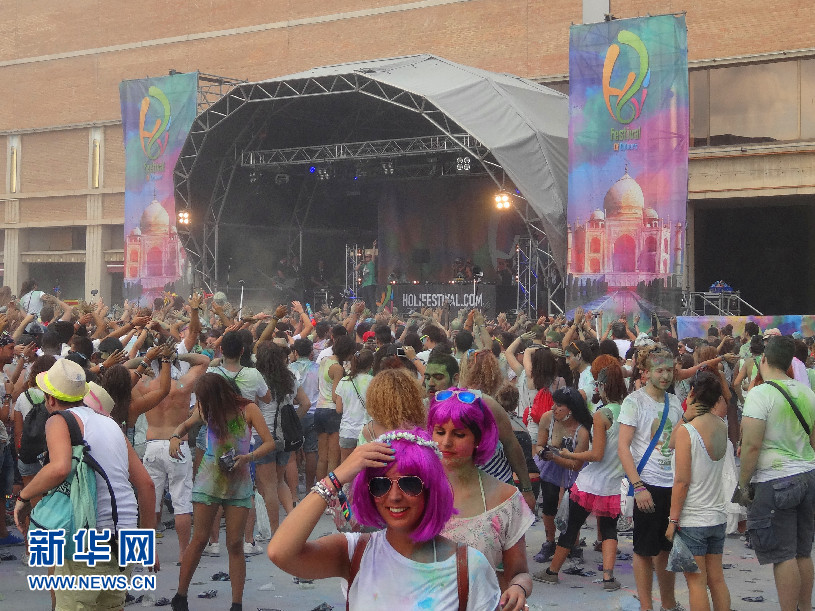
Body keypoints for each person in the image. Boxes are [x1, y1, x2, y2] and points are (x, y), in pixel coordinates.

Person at [267, 429, 502, 610]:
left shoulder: (469, 566)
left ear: (431, 490)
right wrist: (335, 478)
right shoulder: (355, 553)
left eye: (410, 483)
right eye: (381, 485)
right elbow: (280, 552)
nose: (395, 496)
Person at [13, 359, 157, 610]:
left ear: (50, 399)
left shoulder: (59, 420)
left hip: (89, 537)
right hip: (127, 540)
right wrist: (147, 544)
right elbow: (146, 485)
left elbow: (59, 468)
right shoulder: (112, 425)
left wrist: (23, 498)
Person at [168, 373, 275, 611]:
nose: (201, 404)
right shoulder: (205, 409)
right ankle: (180, 596)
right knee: (199, 539)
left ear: (217, 395)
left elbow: (269, 443)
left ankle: (236, 604)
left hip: (238, 482)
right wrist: (175, 436)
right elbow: (184, 425)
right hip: (209, 481)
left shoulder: (248, 409)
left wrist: (248, 457)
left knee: (235, 543)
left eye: (204, 399)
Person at [429, 389, 534, 610]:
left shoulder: (505, 500)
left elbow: (519, 573)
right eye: (439, 432)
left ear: (479, 438)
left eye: (459, 434)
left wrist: (518, 589)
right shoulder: (412, 488)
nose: (446, 442)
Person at [736, 335, 815, 611]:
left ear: (764, 360)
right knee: (803, 552)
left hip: (776, 480)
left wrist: (743, 484)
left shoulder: (760, 394)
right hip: (807, 474)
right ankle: (804, 607)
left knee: (783, 555)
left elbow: (751, 445)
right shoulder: (807, 392)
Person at [535, 362, 627, 590]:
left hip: (591, 482)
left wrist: (568, 454)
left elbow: (596, 455)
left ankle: (552, 571)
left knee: (571, 527)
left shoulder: (601, 415)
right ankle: (608, 578)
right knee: (609, 529)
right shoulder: (628, 411)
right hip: (614, 482)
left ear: (602, 386)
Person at [423, 352, 536, 511]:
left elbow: (511, 443)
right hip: (453, 491)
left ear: (455, 378)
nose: (431, 383)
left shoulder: (482, 403)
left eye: (438, 377)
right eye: (427, 377)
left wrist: (526, 489)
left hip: (496, 486)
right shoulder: (425, 408)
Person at [618, 344, 684, 611]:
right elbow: (623, 447)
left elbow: (678, 443)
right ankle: (646, 606)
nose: (665, 376)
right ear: (645, 372)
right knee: (644, 550)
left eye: (669, 370)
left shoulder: (675, 402)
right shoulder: (634, 402)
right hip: (647, 484)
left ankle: (668, 604)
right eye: (659, 370)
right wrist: (638, 486)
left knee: (667, 550)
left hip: (672, 485)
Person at [666, 370, 731, 611]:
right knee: (717, 580)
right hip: (717, 515)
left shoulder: (688, 431)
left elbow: (682, 481)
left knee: (696, 582)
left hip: (693, 518)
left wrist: (673, 520)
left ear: (692, 393)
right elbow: (672, 443)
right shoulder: (721, 425)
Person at [254, 341, 310, 537]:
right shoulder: (290, 377)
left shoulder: (258, 379)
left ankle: (275, 530)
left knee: (267, 485)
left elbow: (254, 407)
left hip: (263, 435)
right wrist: (293, 421)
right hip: (284, 436)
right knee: (279, 482)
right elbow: (305, 403)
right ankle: (294, 523)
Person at [531, 386, 592, 563]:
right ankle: (549, 542)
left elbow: (576, 465)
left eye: (559, 405)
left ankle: (574, 544)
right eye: (554, 403)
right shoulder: (547, 418)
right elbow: (539, 444)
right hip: (550, 467)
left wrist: (555, 457)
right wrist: (543, 452)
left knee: (574, 507)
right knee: (549, 503)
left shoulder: (582, 431)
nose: (553, 408)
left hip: (574, 469)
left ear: (570, 409)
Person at [315, 334, 356, 481]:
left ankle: (319, 488)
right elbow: (335, 396)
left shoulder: (324, 360)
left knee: (322, 457)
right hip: (332, 412)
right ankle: (331, 490)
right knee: (333, 458)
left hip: (319, 409)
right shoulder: (337, 368)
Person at [334, 348, 374, 461]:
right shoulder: (374, 382)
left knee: (347, 466)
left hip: (347, 431)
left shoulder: (344, 381)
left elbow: (338, 409)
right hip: (367, 432)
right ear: (371, 365)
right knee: (365, 467)